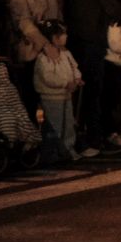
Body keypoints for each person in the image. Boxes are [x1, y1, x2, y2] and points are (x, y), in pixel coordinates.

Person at [64, 0, 121, 154]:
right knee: (95, 90)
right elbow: (110, 5)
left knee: (86, 91)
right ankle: (95, 138)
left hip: (78, 37)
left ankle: (88, 135)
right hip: (93, 39)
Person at [5, 0, 61, 117]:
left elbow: (55, 14)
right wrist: (44, 44)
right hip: (31, 48)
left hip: (51, 46)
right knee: (29, 96)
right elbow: (21, 19)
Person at [33, 20, 84, 162]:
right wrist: (65, 83)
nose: (66, 36)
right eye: (62, 34)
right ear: (54, 38)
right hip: (51, 98)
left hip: (66, 96)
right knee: (54, 125)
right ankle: (53, 151)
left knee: (68, 123)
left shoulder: (66, 54)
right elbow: (48, 78)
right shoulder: (43, 59)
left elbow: (74, 67)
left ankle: (68, 148)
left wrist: (77, 78)